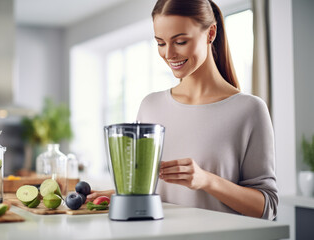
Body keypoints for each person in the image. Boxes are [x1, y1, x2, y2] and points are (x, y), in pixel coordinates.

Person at [87, 0, 278, 220]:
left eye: (180, 41)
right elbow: (154, 191)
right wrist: (117, 195)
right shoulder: (150, 106)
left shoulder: (249, 110)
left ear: (210, 33)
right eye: (160, 43)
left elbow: (268, 208)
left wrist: (207, 180)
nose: (169, 54)